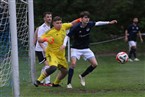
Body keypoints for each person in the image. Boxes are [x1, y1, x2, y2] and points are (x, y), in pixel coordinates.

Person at [61, 11, 117, 88]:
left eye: (88, 18)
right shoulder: (76, 27)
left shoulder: (89, 24)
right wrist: (64, 45)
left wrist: (109, 22)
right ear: (81, 19)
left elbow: (98, 23)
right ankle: (69, 83)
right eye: (85, 17)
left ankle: (82, 76)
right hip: (75, 49)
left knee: (95, 64)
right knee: (73, 64)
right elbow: (67, 36)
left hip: (85, 48)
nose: (87, 19)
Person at [34, 16, 81, 87]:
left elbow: (72, 23)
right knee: (53, 67)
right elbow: (39, 39)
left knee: (65, 71)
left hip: (61, 55)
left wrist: (79, 19)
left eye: (60, 23)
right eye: (57, 23)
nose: (59, 24)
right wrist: (46, 39)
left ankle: (55, 83)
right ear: (53, 24)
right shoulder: (50, 32)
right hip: (51, 54)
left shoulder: (64, 26)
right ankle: (38, 81)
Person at [34, 12, 52, 86]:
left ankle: (41, 82)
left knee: (48, 65)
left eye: (50, 17)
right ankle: (47, 82)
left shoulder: (49, 27)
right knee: (48, 65)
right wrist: (44, 48)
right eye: (47, 17)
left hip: (46, 49)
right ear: (44, 18)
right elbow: (39, 39)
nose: (49, 18)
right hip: (41, 50)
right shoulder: (42, 28)